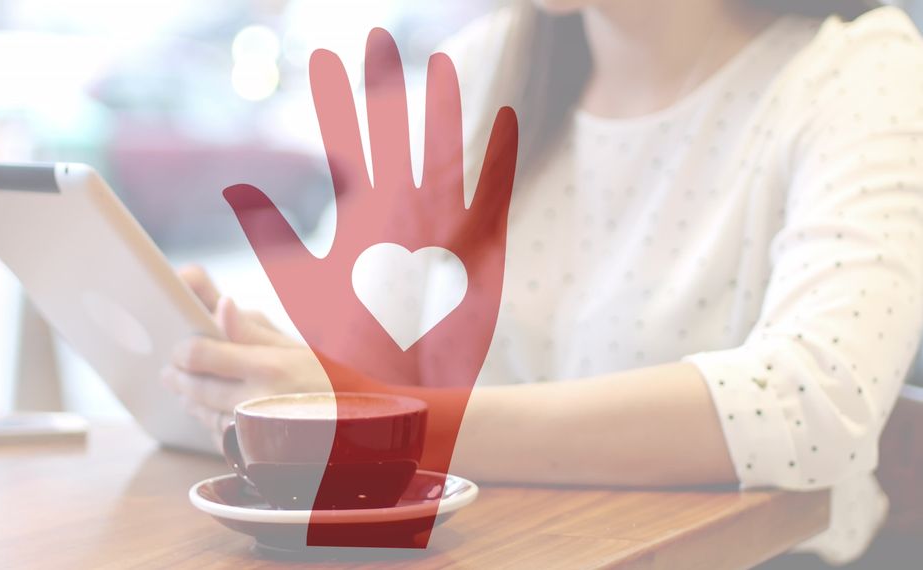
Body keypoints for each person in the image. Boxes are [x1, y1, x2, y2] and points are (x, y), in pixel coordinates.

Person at [161, 0, 923, 563]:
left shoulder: (857, 72)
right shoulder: (487, 64)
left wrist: (397, 427)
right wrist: (262, 369)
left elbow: (812, 404)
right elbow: (364, 358)